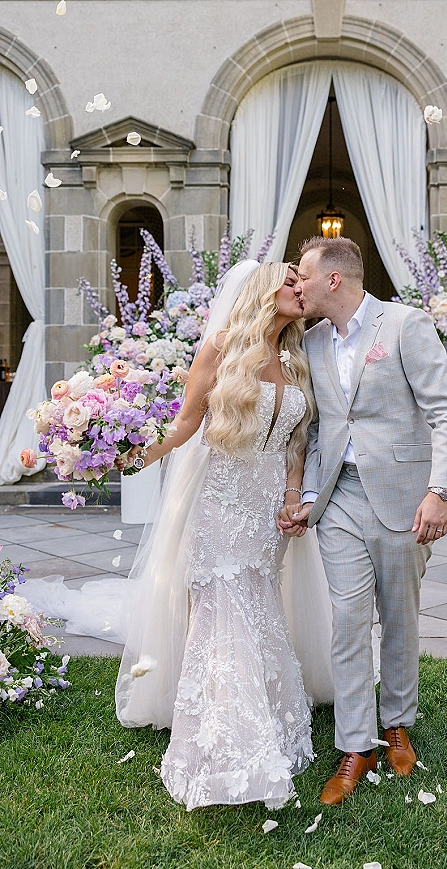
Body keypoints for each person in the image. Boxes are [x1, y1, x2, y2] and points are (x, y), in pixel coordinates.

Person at [114, 259, 332, 811]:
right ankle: (230, 741)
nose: (299, 288)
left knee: (260, 604)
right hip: (220, 505)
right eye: (290, 281)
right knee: (225, 609)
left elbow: (296, 442)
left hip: (266, 515)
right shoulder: (222, 347)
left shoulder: (295, 357)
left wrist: (291, 496)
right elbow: (187, 422)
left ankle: (269, 715)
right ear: (263, 291)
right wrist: (132, 453)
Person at [278, 236, 447, 806]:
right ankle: (355, 743)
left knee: (399, 617)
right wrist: (309, 495)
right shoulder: (309, 341)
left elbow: (446, 410)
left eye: (304, 276)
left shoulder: (405, 325)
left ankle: (397, 721)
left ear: (333, 279)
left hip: (404, 498)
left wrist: (440, 492)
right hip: (339, 500)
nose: (298, 286)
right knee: (347, 619)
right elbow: (314, 430)